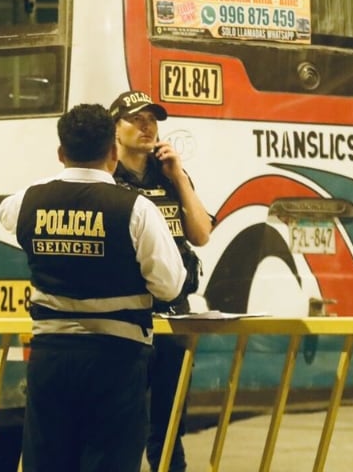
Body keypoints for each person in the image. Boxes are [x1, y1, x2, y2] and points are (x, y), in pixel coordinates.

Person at [0, 103, 194, 472]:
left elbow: (6, 213)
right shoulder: (136, 209)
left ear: (61, 153)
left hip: (50, 357)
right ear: (112, 152)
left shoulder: (30, 200)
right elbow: (169, 286)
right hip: (116, 361)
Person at [108, 90, 214, 472]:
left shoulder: (169, 176)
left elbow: (201, 234)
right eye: (136, 119)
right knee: (122, 422)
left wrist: (179, 177)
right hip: (127, 315)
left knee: (168, 427)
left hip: (174, 315)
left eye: (151, 119)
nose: (146, 126)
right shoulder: (107, 178)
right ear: (114, 129)